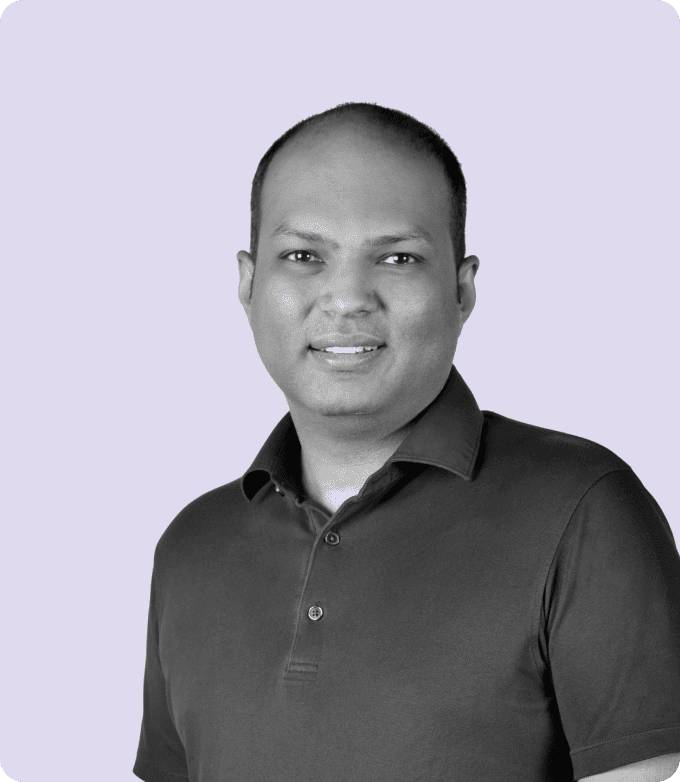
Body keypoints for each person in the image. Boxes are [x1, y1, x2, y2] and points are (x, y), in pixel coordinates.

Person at [133, 102, 680, 782]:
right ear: (248, 283)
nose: (346, 298)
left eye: (396, 257)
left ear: (461, 287)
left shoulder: (584, 510)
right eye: (303, 256)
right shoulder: (192, 545)